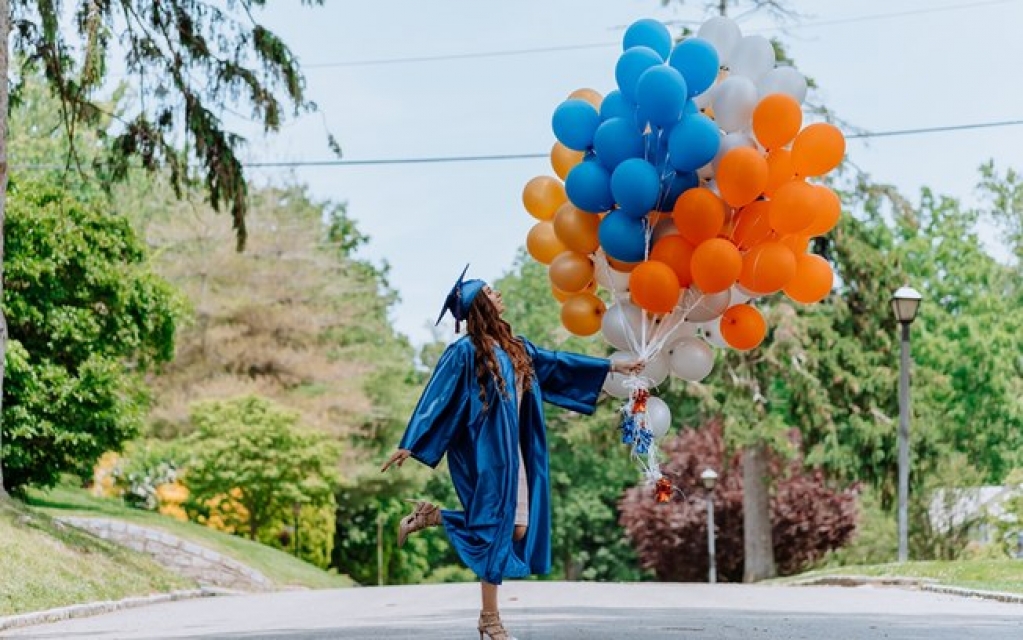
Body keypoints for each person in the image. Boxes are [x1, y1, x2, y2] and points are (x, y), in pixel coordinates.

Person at [381, 265, 642, 640]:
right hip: (487, 452)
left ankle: (434, 517)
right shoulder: (464, 352)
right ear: (480, 305)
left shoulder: (515, 347)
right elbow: (437, 396)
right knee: (500, 527)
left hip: (517, 448)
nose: (498, 293)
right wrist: (412, 441)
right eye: (490, 291)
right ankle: (491, 619)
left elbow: (558, 363)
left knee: (517, 527)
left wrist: (613, 366)